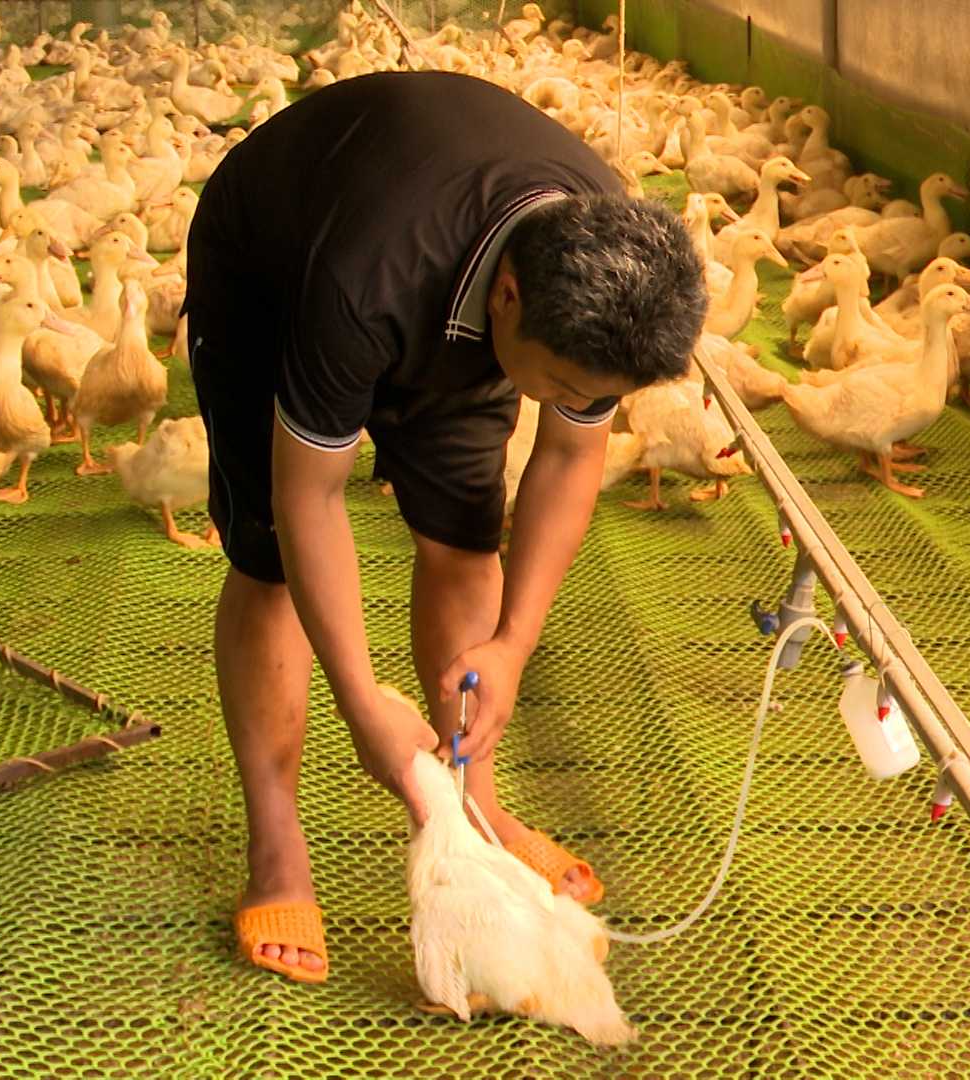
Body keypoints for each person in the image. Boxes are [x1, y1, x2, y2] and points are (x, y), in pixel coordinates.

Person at [184, 70, 707, 983]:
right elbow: (312, 496)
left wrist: (510, 646)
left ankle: (472, 806)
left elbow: (569, 458)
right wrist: (360, 701)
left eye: (594, 398)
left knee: (466, 536)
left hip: (448, 297)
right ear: (507, 295)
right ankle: (276, 842)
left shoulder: (591, 272)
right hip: (275, 272)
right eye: (558, 386)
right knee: (269, 554)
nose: (573, 409)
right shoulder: (364, 282)